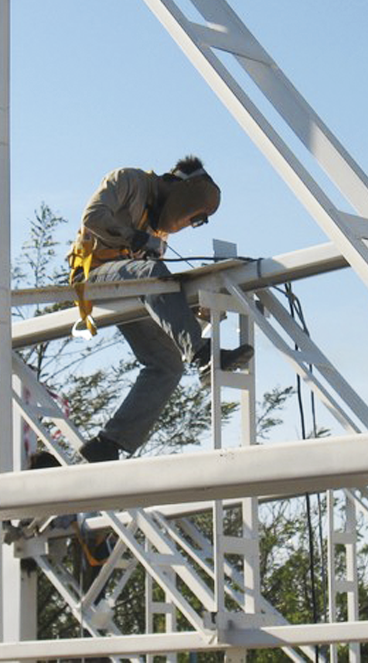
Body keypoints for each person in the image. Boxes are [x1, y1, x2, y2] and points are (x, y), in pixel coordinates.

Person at [68, 156, 253, 463]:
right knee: (153, 273)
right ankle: (203, 354)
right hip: (93, 276)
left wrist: (198, 310)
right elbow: (93, 217)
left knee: (168, 365)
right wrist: (137, 238)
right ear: (176, 186)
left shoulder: (156, 225)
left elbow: (160, 294)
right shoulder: (128, 180)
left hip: (132, 287)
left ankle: (108, 443)